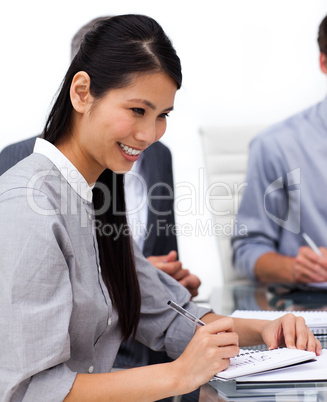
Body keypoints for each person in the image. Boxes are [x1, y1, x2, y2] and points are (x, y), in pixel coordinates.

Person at [0, 14, 320, 401]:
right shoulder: (27, 205)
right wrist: (178, 377)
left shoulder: (95, 193)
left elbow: (168, 314)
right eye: (138, 110)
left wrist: (268, 329)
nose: (150, 134)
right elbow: (28, 391)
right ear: (82, 92)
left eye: (162, 116)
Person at [232, 14, 327, 284]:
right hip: (312, 309)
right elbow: (246, 250)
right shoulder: (276, 146)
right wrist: (294, 268)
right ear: (324, 62)